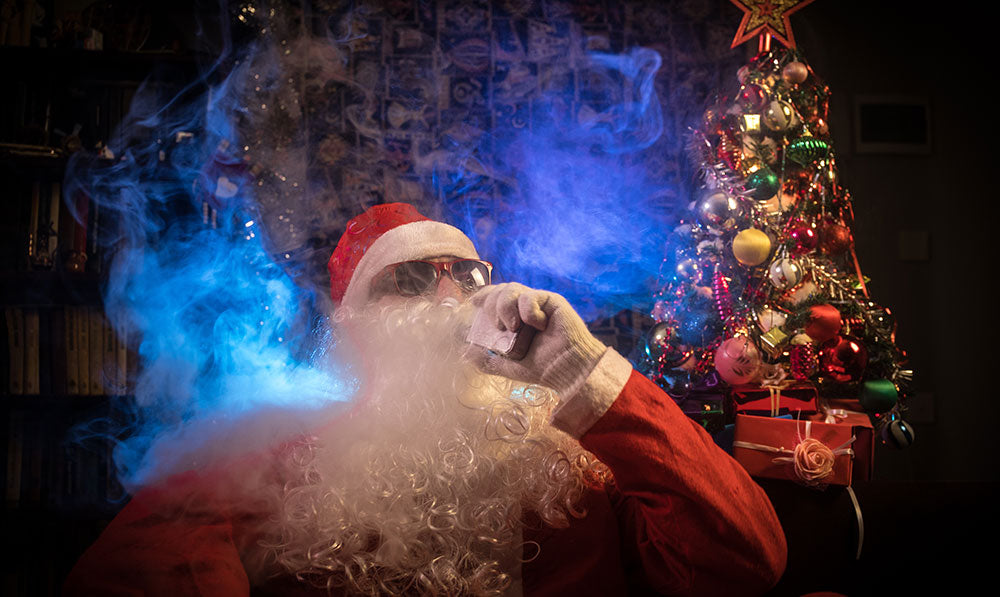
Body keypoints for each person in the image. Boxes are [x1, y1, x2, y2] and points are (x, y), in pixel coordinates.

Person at [65, 202, 787, 596]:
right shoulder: (275, 454)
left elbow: (745, 564)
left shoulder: (580, 446)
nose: (446, 294)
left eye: (466, 274)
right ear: (353, 325)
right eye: (409, 280)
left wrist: (585, 378)